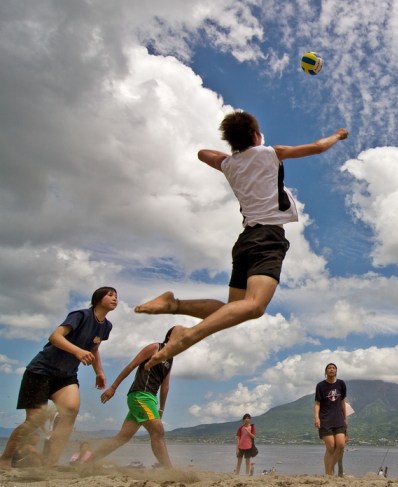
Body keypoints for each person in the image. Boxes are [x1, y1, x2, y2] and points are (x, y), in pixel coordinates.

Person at [133, 112, 349, 369]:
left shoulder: (228, 164)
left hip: (246, 240)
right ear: (256, 136)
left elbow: (203, 153)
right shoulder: (270, 152)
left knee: (234, 309)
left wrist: (232, 155)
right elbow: (318, 147)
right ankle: (187, 335)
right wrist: (338, 135)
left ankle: (174, 304)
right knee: (255, 306)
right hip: (267, 237)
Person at [0, 287, 117, 468]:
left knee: (70, 410)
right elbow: (55, 337)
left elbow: (94, 349)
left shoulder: (106, 326)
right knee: (34, 421)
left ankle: (51, 462)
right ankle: (6, 458)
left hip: (66, 376)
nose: (115, 298)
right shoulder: (80, 315)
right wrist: (77, 351)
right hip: (40, 371)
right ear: (97, 299)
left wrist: (99, 372)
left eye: (116, 296)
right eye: (110, 295)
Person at [87, 328, 175, 468]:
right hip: (140, 396)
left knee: (122, 437)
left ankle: (89, 461)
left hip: (150, 399)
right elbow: (131, 366)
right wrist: (113, 387)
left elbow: (165, 386)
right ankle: (170, 471)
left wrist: (162, 409)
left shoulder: (170, 358)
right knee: (158, 431)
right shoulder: (155, 347)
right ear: (170, 336)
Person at [314, 363, 347, 476]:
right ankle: (328, 474)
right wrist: (317, 417)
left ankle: (329, 470)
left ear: (336, 371)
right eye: (329, 368)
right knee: (331, 447)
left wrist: (345, 418)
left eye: (334, 368)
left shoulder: (341, 384)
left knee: (341, 445)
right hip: (325, 419)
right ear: (326, 371)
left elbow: (342, 402)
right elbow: (317, 403)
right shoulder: (320, 386)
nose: (331, 370)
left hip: (338, 419)